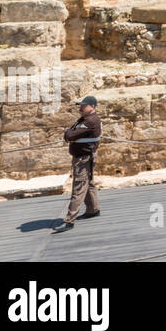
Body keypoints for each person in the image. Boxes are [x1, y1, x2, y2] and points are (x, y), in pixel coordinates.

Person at [55, 96, 102, 231]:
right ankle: (93, 209)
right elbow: (72, 132)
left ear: (92, 106)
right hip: (83, 157)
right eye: (80, 105)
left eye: (83, 106)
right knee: (88, 183)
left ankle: (69, 220)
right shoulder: (84, 120)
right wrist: (70, 133)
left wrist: (68, 133)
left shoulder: (90, 121)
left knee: (78, 188)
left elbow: (69, 135)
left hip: (84, 158)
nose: (80, 108)